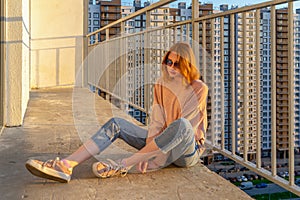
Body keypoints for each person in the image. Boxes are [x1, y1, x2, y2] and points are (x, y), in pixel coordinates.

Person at [25, 42, 208, 183]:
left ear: (187, 65)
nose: (171, 67)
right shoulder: (161, 84)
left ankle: (122, 165)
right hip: (160, 142)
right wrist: (150, 152)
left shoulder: (199, 88)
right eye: (169, 61)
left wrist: (154, 158)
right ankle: (67, 165)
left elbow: (186, 131)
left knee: (181, 125)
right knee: (116, 123)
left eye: (177, 64)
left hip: (186, 152)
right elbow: (157, 124)